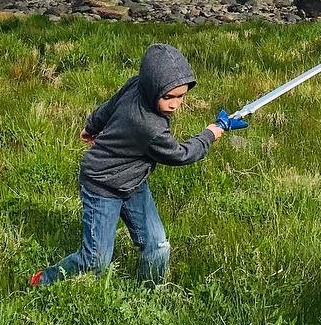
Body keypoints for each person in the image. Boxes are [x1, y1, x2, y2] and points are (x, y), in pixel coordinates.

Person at [30, 43, 245, 288]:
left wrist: (91, 127)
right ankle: (44, 280)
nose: (175, 104)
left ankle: (148, 294)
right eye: (168, 97)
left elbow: (109, 106)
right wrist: (212, 132)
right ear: (153, 88)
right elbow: (180, 155)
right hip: (103, 185)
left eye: (181, 96)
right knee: (96, 261)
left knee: (158, 245)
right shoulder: (150, 127)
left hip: (132, 181)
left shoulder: (137, 84)